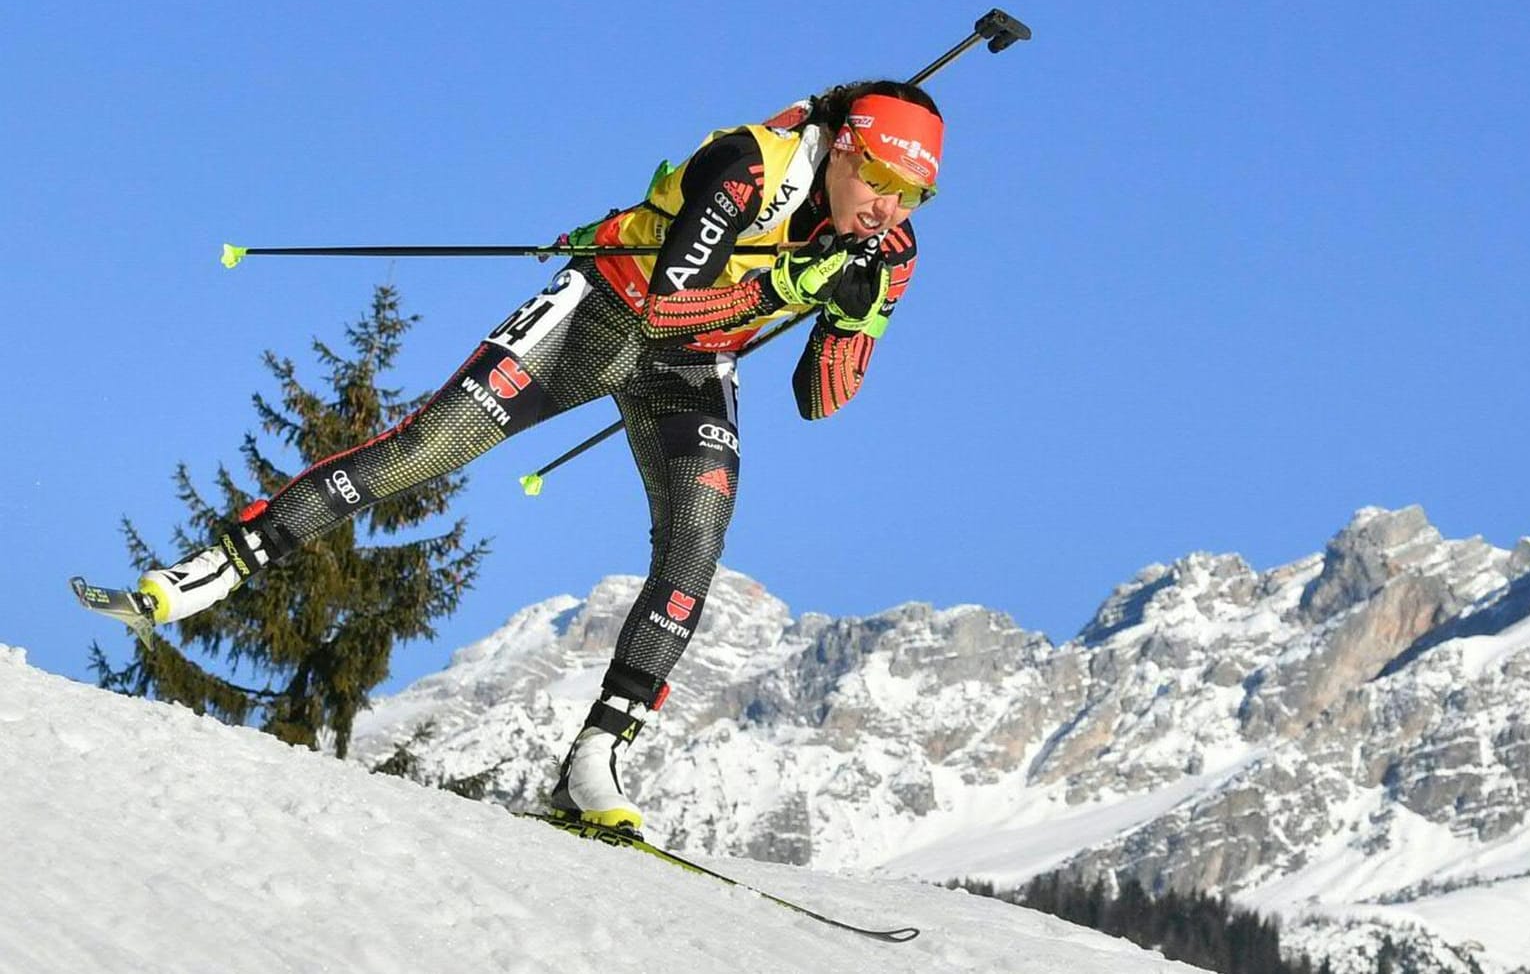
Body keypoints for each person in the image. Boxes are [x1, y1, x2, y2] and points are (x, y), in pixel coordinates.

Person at [127, 80, 944, 835]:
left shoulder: (891, 248)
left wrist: (855, 317)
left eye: (909, 194)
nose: (886, 206)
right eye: (877, 178)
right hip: (604, 312)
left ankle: (595, 755)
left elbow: (819, 399)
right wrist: (778, 289)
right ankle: (226, 561)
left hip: (694, 364)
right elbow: (665, 308)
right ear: (842, 145)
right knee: (426, 450)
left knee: (697, 543)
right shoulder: (745, 165)